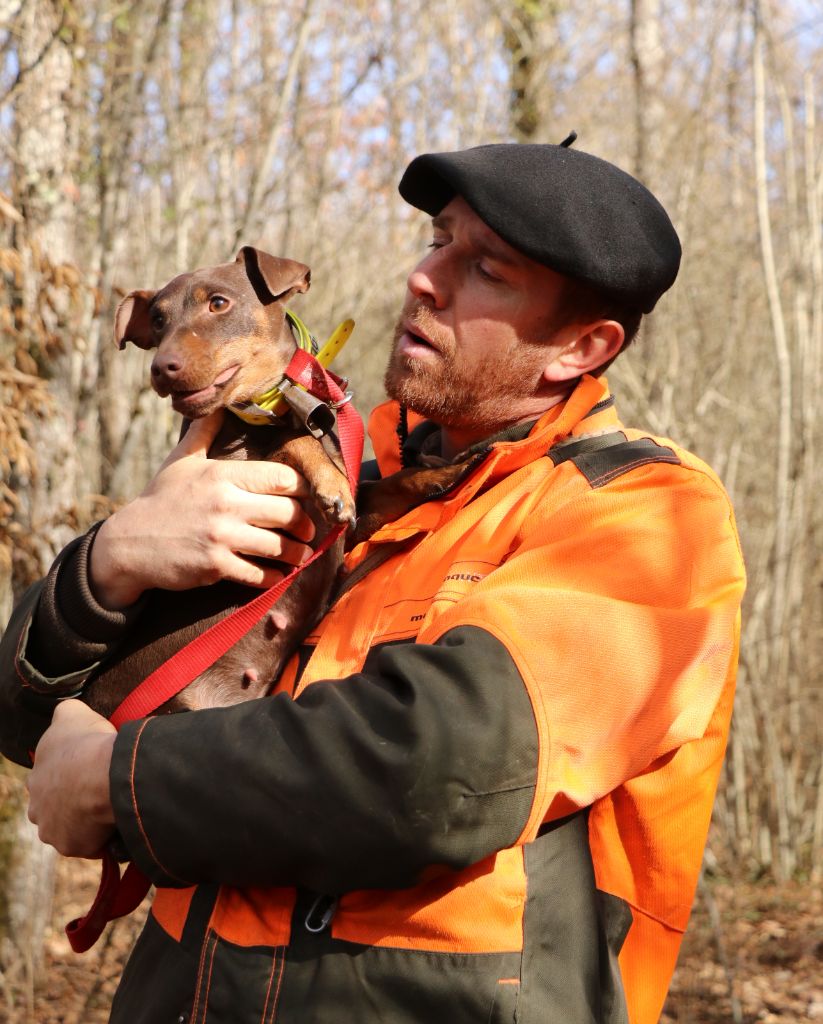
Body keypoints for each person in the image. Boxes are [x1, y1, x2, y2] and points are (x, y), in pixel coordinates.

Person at [0, 140, 745, 1024]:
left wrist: (123, 782)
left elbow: (441, 764)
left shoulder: (648, 515)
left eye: (486, 270)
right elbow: (32, 724)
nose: (422, 277)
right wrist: (109, 565)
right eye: (437, 240)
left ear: (580, 347)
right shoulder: (329, 460)